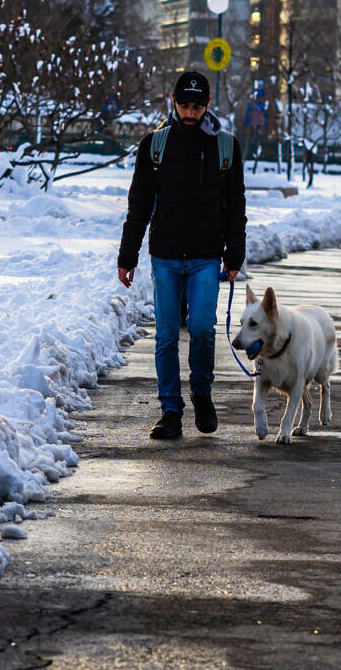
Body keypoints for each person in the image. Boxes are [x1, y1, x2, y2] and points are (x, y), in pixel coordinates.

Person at [117, 70, 246, 441]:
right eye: (185, 105)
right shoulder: (155, 145)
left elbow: (235, 203)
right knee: (166, 335)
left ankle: (201, 393)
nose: (190, 113)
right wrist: (128, 255)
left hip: (207, 255)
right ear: (173, 102)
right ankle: (170, 410)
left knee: (203, 328)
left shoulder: (225, 146)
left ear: (208, 105)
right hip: (166, 255)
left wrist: (234, 253)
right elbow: (139, 204)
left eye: (197, 107)